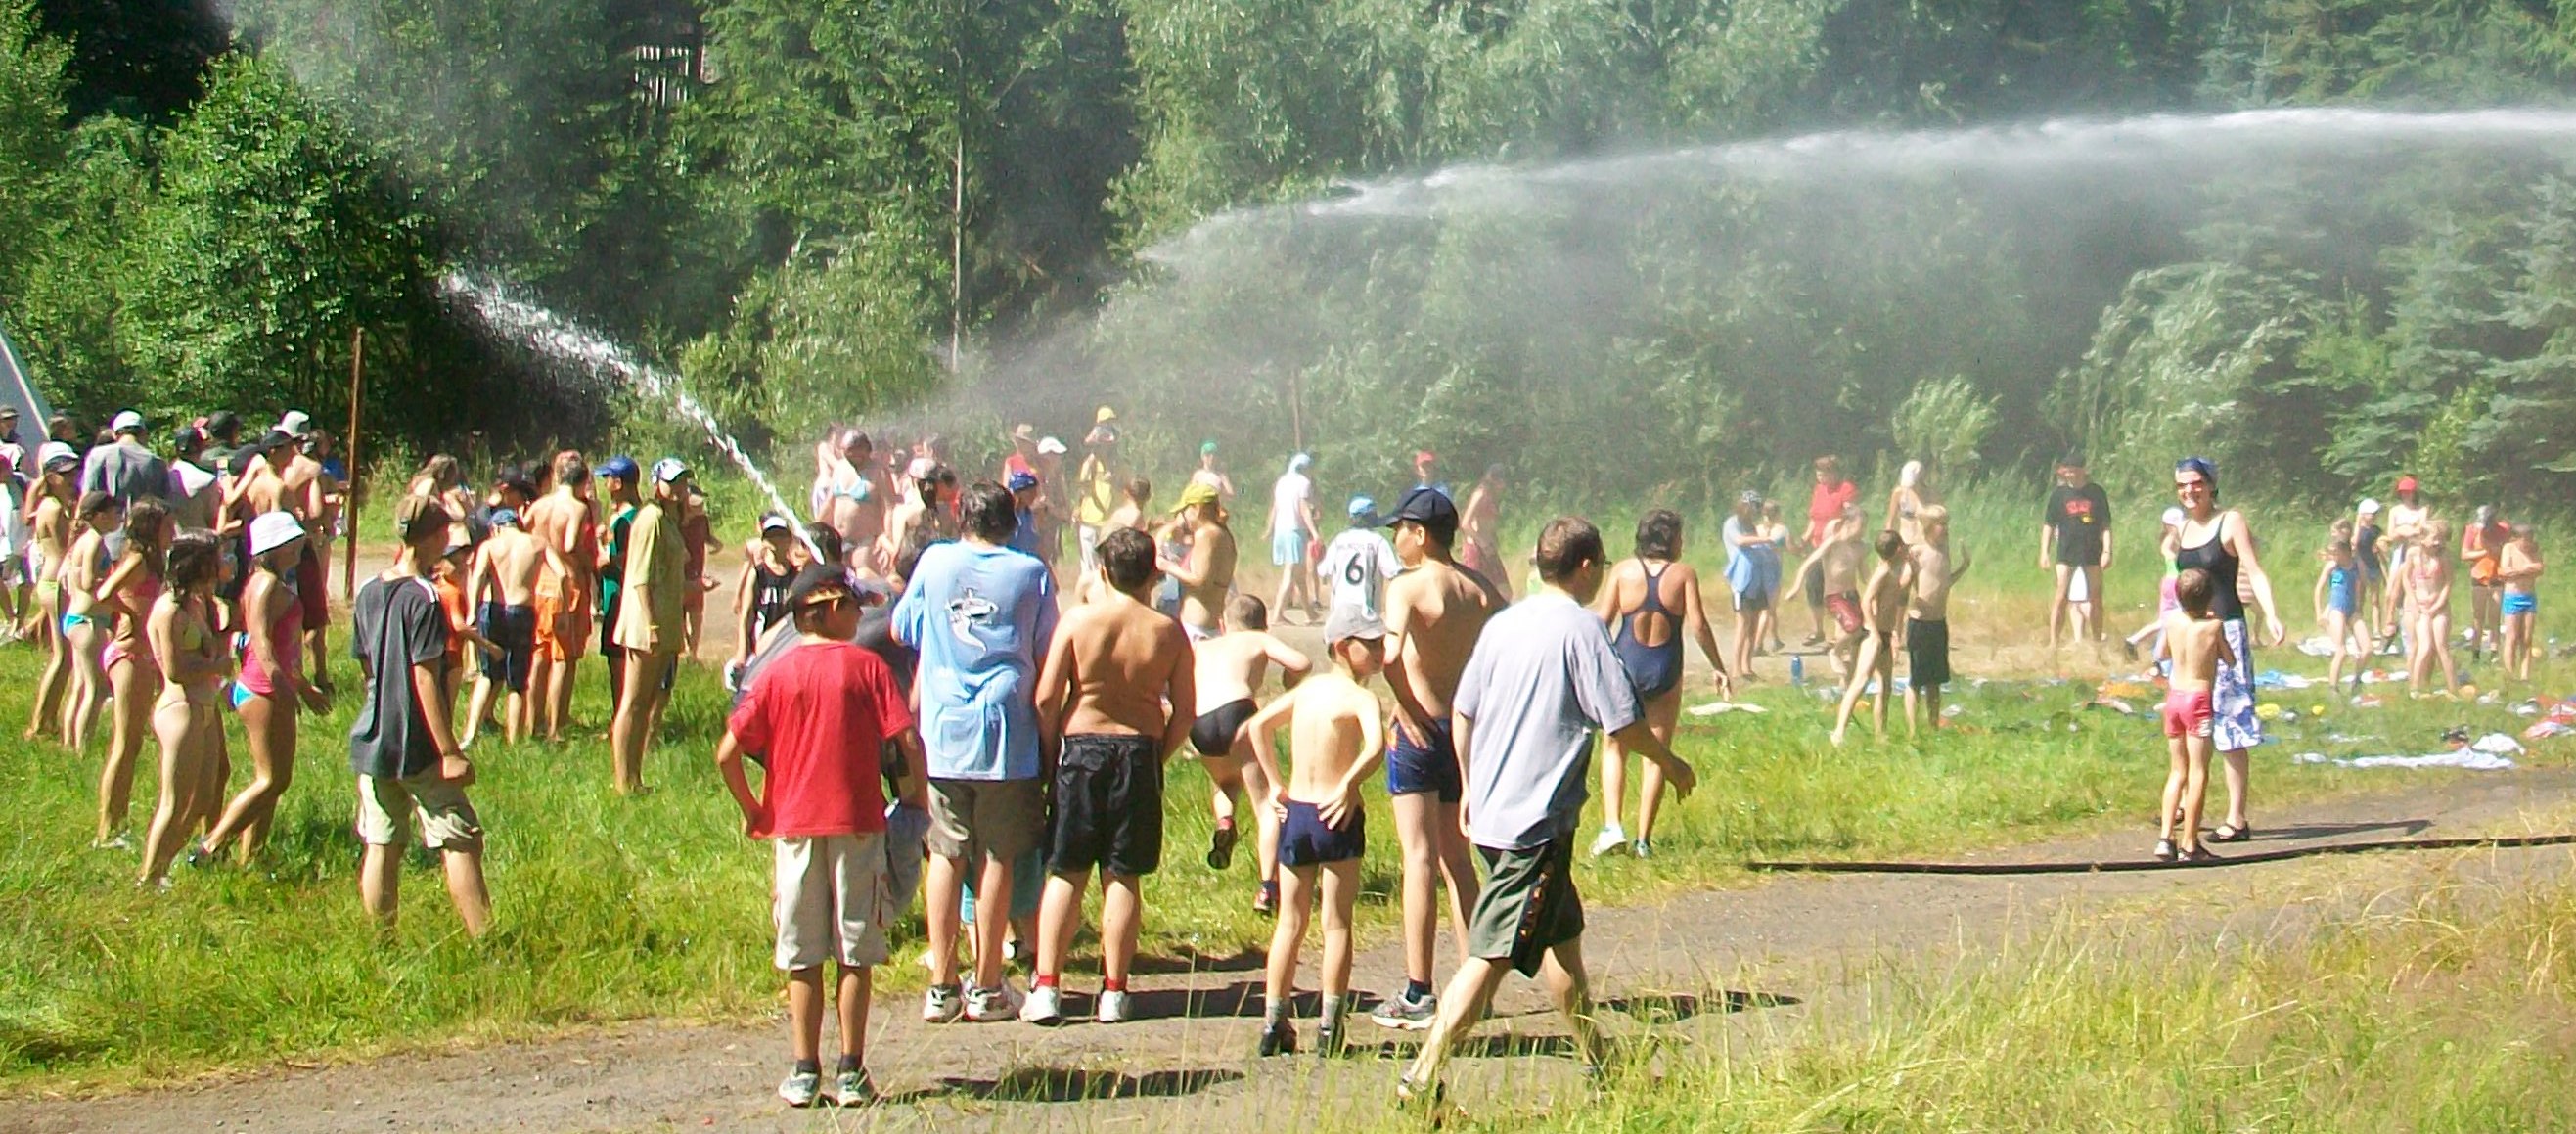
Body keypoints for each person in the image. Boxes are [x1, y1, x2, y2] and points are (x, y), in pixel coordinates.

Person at [1395, 517, 1698, 1106]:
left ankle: (1602, 1063)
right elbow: (1622, 723)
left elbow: (1464, 711)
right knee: (1492, 954)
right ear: (1585, 567)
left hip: (1496, 813)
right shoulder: (1581, 629)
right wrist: (1671, 763)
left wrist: (1470, 786)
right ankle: (1422, 1077)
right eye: (1601, 565)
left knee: (1562, 941)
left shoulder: (1505, 623)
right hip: (1532, 825)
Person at [716, 564, 926, 1108]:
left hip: (793, 827)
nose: (860, 616)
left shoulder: (776, 673)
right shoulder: (867, 666)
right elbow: (906, 741)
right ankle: (852, 1071)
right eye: (853, 606)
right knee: (855, 951)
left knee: (802, 953)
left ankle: (804, 1069)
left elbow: (727, 752)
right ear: (829, 609)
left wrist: (754, 809)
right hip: (859, 825)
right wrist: (918, 799)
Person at [894, 481, 1058, 1025]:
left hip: (944, 733)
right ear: (1010, 521)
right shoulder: (1030, 573)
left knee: (946, 852)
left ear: (961, 518)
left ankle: (941, 984)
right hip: (1008, 734)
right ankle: (987, 986)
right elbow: (1046, 648)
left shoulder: (935, 561)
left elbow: (902, 627)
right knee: (998, 857)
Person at [1024, 526, 1196, 1025]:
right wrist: (1157, 756)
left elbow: (1046, 697)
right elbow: (1185, 712)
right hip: (1137, 750)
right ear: (1154, 575)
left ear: (1103, 571)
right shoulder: (1168, 632)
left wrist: (1051, 751)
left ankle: (1048, 987)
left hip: (1082, 747)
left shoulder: (1079, 621)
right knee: (1123, 874)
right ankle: (1115, 992)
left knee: (1066, 870)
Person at [1370, 486, 1495, 1029]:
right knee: (1458, 860)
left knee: (1419, 857)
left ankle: (1418, 990)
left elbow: (1389, 655)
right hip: (1463, 731)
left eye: (1399, 529)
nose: (1396, 539)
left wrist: (1404, 704)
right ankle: (1476, 984)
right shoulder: (1479, 589)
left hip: (1420, 730)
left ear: (1419, 534)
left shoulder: (1408, 585)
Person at [1245, 605, 1385, 1056]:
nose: (1381, 651)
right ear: (1343, 647)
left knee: (1290, 921)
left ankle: (1274, 1022)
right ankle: (1329, 1026)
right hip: (1334, 813)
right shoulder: (1359, 698)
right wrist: (1349, 784)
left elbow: (1259, 726)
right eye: (1371, 644)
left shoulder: (1307, 690)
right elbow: (1377, 747)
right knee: (1336, 923)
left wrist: (1275, 784)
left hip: (1299, 814)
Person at [350, 495, 492, 937]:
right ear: (434, 537)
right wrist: (448, 751)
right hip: (416, 741)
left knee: (382, 842)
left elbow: (367, 665)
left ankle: (381, 941)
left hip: (373, 736)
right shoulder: (425, 597)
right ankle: (485, 940)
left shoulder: (369, 591)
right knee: (460, 837)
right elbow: (425, 677)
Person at [1590, 510, 1731, 858]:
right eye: (1680, 536)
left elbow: (1602, 621)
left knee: (1614, 746)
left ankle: (1612, 826)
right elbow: (1698, 625)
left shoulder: (1623, 571)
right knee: (1657, 752)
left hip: (1626, 665)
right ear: (1670, 540)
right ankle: (1643, 840)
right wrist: (1718, 666)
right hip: (1664, 668)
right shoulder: (1683, 575)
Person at [198, 512, 330, 865]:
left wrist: (302, 686)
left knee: (274, 781)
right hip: (262, 688)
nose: (298, 547)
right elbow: (261, 641)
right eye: (291, 542)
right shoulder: (266, 584)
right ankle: (211, 846)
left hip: (270, 685)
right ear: (273, 547)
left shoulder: (269, 581)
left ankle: (252, 857)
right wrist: (281, 685)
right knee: (270, 780)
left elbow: (286, 649)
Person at [2171, 456, 2285, 844]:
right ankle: (2185, 802)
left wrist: (2270, 614)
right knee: (2191, 719)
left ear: (2210, 484)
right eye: (2182, 485)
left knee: (2231, 719)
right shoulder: (2182, 528)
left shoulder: (2230, 521)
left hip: (2226, 632)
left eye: (2196, 483)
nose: (2189, 491)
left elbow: (2253, 569)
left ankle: (2237, 817)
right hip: (2192, 637)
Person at [1188, 595, 1312, 899]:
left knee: (1224, 782)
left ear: (1222, 624)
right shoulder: (1258, 638)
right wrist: (1290, 680)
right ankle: (1268, 887)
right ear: (1263, 625)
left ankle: (1225, 821)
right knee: (1266, 805)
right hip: (1238, 714)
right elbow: (1302, 662)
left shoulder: (1203, 646)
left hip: (1201, 722)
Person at [137, 532, 227, 888]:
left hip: (204, 705)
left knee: (203, 798)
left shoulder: (196, 603)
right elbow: (174, 670)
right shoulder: (169, 610)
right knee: (173, 803)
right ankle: (148, 878)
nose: (222, 565)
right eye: (215, 560)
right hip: (181, 709)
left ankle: (163, 865)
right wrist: (217, 666)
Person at [610, 459, 691, 795]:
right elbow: (640, 577)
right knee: (633, 702)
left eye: (683, 481)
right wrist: (652, 624)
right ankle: (623, 781)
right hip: (646, 625)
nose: (679, 488)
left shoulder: (669, 518)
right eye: (672, 482)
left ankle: (635, 777)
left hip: (664, 620)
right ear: (657, 483)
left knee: (646, 704)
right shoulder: (650, 518)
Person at [95, 499, 171, 846]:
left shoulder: (154, 560)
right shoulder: (138, 560)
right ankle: (107, 828)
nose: (171, 532)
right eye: (166, 525)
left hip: (142, 657)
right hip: (128, 655)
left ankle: (119, 820)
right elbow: (104, 592)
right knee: (125, 743)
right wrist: (129, 614)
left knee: (134, 742)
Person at [2153, 567, 2235, 863]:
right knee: (2198, 771)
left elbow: (2162, 653)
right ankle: (2190, 843)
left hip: (2174, 697)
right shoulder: (2213, 627)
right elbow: (2229, 659)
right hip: (2198, 699)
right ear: (2210, 597)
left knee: (2177, 771)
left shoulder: (2172, 621)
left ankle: (2166, 838)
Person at [525, 452, 602, 743]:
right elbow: (570, 544)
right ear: (583, 481)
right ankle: (557, 726)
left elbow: (526, 534)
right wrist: (587, 563)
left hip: (539, 583)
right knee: (564, 658)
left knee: (539, 655)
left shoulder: (539, 505)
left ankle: (532, 723)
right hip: (567, 585)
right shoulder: (577, 508)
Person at [463, 507, 543, 747]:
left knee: (487, 675)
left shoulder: (490, 546)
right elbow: (561, 574)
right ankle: (514, 740)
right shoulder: (536, 543)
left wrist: (471, 611)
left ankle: (470, 734)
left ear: (496, 528)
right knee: (516, 683)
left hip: (493, 609)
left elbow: (478, 576)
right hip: (522, 609)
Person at [1829, 531, 1913, 746]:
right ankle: (1838, 732)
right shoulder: (1883, 572)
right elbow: (1866, 600)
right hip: (1871, 636)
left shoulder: (1894, 570)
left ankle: (1880, 735)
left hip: (1884, 634)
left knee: (1885, 685)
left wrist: (1912, 567)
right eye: (1904, 546)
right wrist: (1874, 633)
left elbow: (1899, 588)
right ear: (1898, 549)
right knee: (1861, 681)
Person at [58, 491, 121, 757]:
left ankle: (68, 743)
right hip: (89, 622)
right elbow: (87, 582)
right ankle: (82, 749)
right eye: (115, 514)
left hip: (76, 618)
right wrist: (115, 584)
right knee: (96, 689)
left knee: (80, 686)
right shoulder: (95, 542)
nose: (119, 518)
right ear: (100, 516)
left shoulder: (82, 541)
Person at [22, 445, 77, 740]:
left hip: (49, 581)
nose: (72, 479)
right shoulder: (54, 508)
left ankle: (47, 719)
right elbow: (67, 547)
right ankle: (40, 722)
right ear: (51, 477)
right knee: (62, 657)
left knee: (63, 657)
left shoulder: (48, 504)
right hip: (56, 582)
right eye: (65, 475)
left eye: (74, 473)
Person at [1902, 505, 1971, 735]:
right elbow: (1904, 584)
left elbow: (1944, 582)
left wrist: (1963, 567)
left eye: (1946, 524)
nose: (1945, 529)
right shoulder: (1918, 551)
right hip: (1920, 622)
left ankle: (1933, 727)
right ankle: (1912, 730)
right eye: (1941, 525)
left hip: (1938, 622)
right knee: (1916, 680)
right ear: (1929, 527)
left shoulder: (1944, 551)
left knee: (1935, 681)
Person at [1785, 504, 1869, 679]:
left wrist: (1878, 590)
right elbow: (1808, 564)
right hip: (1835, 596)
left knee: (1857, 639)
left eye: (1865, 527)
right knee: (1853, 628)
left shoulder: (1860, 547)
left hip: (1852, 595)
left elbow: (1865, 575)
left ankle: (1847, 682)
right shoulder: (1834, 543)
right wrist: (1796, 587)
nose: (1863, 531)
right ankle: (1834, 652)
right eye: (1861, 526)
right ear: (1848, 523)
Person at [2040, 455, 2114, 648]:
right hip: (2066, 552)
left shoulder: (2096, 493)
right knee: (2061, 596)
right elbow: (2049, 525)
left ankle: (2096, 641)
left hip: (2092, 552)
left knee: (2095, 597)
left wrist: (2107, 551)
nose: (2069, 472)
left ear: (2082, 470)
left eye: (2073, 468)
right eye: (2067, 469)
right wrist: (2044, 552)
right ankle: (2054, 642)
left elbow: (2106, 525)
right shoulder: (2058, 495)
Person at [1158, 481, 1237, 640]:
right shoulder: (1223, 533)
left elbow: (1201, 581)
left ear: (1197, 509)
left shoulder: (1206, 534)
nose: (1184, 517)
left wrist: (1167, 566)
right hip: (1209, 625)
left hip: (1197, 627)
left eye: (1185, 511)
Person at [596, 457, 644, 712]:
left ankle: (621, 717)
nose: (604, 484)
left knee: (618, 662)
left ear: (618, 483)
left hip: (619, 597)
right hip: (622, 596)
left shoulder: (626, 521)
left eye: (607, 478)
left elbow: (622, 560)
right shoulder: (635, 516)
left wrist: (599, 553)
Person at [734, 513, 802, 682]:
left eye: (781, 535)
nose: (776, 540)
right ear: (764, 541)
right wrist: (742, 650)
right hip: (761, 641)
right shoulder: (759, 573)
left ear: (789, 539)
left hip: (787, 639)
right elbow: (747, 614)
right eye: (771, 536)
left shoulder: (796, 574)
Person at [1800, 456, 1859, 646]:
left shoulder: (1845, 489)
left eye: (1824, 474)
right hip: (1818, 544)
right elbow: (1814, 518)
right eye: (1818, 474)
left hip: (1836, 548)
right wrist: (1805, 538)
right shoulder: (1819, 490)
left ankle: (1839, 633)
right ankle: (1818, 630)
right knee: (1813, 585)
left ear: (1834, 473)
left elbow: (1851, 515)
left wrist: (1846, 535)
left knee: (1836, 590)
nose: (1820, 478)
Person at [1317, 495, 1400, 625]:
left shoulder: (1339, 540)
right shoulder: (1377, 541)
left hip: (1339, 613)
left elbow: (1323, 571)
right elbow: (1393, 572)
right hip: (1367, 615)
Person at [2405, 521, 2463, 697]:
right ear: (2423, 539)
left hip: (2439, 607)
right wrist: (2413, 601)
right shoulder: (2412, 554)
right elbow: (2405, 579)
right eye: (2434, 538)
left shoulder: (2443, 557)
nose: (2438, 542)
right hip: (2421, 607)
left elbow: (2448, 582)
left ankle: (2453, 688)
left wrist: (2439, 603)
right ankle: (2414, 687)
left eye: (2440, 539)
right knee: (2424, 646)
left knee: (2441, 646)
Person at [1720, 491, 1772, 681]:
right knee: (1743, 624)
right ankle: (1735, 669)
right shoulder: (1732, 523)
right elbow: (1740, 541)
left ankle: (1747, 667)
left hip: (1756, 579)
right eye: (1753, 507)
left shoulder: (1751, 526)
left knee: (1754, 625)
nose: (1755, 512)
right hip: (1741, 581)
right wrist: (1764, 539)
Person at [1268, 454, 1320, 623]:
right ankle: (1277, 614)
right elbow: (1304, 509)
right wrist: (1314, 532)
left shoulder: (1282, 481)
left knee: (1299, 574)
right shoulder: (1303, 483)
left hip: (1281, 531)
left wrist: (1269, 529)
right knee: (1290, 572)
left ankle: (1310, 613)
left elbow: (1275, 508)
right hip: (1295, 531)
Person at [80, 410, 169, 509]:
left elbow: (87, 497)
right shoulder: (156, 462)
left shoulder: (97, 455)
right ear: (143, 433)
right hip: (143, 518)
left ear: (115, 435)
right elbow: (163, 504)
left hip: (107, 517)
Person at [2314, 534, 2368, 694]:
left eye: (2335, 553)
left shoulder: (2357, 564)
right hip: (2337, 608)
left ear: (2345, 552)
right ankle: (2333, 687)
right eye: (2331, 553)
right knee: (2341, 651)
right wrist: (2319, 612)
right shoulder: (2332, 567)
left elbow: (2363, 584)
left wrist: (2359, 605)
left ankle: (2357, 679)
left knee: (2367, 649)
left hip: (2352, 609)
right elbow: (2318, 589)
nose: (2332, 556)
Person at [2378, 475, 2430, 637]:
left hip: (2415, 550)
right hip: (2399, 550)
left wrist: (2405, 530)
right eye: (2403, 492)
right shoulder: (2395, 511)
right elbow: (2391, 534)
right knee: (2391, 590)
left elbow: (2422, 530)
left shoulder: (2422, 510)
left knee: (2412, 586)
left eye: (2409, 492)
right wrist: (2405, 530)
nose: (2406, 495)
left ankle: (2413, 621)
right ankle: (2389, 621)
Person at [1457, 465, 1513, 603]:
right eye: (1502, 481)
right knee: (1477, 592)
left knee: (1505, 591)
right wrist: (1482, 543)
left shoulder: (1493, 497)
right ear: (1494, 480)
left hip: (1489, 548)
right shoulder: (1480, 494)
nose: (1504, 485)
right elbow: (1465, 523)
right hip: (1476, 549)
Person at [1073, 411, 1120, 572]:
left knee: (1109, 568)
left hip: (1110, 522)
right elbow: (1082, 489)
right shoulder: (1090, 464)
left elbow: (1128, 489)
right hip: (1090, 521)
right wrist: (1078, 508)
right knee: (1091, 570)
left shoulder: (1118, 465)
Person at [2497, 525, 2543, 684]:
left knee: (2527, 638)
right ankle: (2509, 675)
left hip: (2529, 596)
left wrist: (2517, 571)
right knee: (2512, 637)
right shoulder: (2509, 548)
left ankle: (2525, 676)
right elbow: (2504, 572)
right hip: (2513, 596)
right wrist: (2526, 569)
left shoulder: (2535, 549)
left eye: (2531, 538)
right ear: (2516, 539)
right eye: (2526, 539)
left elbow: (2539, 568)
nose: (2529, 543)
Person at [2462, 505, 2508, 658]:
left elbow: (2507, 549)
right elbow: (2465, 554)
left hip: (2497, 577)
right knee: (2478, 617)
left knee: (2495, 617)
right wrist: (2486, 552)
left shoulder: (2503, 530)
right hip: (2479, 576)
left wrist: (2498, 551)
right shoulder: (2472, 530)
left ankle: (2494, 651)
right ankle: (2476, 651)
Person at [680, 483, 715, 658]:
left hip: (697, 573)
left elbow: (707, 537)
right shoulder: (676, 521)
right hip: (679, 577)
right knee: (679, 617)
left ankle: (693, 653)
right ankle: (684, 648)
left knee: (696, 615)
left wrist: (716, 544)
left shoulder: (702, 520)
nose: (700, 507)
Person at [165, 426, 221, 533]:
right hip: (202, 540)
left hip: (172, 541)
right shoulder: (207, 480)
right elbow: (215, 522)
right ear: (201, 447)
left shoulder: (165, 477)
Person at [2351, 498, 2387, 652]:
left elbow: (2384, 544)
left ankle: (2377, 630)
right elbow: (2354, 543)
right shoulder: (2358, 531)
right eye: (2370, 513)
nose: (2373, 516)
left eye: (2374, 514)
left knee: (2375, 600)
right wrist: (2357, 524)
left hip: (2374, 567)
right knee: (2359, 600)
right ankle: (2359, 630)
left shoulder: (2377, 530)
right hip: (2360, 567)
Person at [1886, 459, 1938, 546]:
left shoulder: (1932, 495)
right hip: (1906, 540)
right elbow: (1891, 520)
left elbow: (1940, 520)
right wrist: (1888, 541)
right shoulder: (1899, 492)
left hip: (1926, 541)